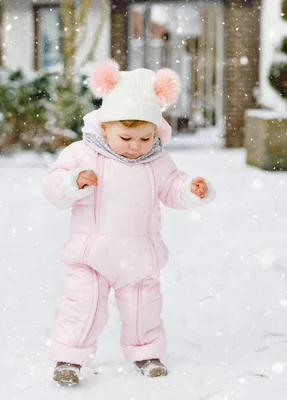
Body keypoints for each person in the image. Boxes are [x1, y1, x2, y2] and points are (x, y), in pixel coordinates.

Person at [42, 60, 215, 385]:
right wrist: (73, 183)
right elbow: (53, 186)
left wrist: (192, 189)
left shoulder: (157, 160)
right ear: (105, 127)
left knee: (143, 308)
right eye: (126, 137)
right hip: (90, 255)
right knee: (82, 307)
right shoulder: (82, 154)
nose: (136, 146)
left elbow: (172, 186)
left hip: (139, 255)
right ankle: (69, 358)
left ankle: (146, 351)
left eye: (145, 138)